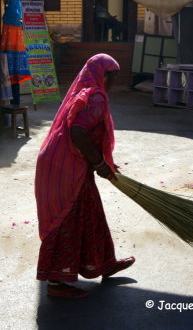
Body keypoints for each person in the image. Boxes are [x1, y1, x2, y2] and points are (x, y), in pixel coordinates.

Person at [35, 54, 135, 298]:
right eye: (113, 76)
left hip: (60, 161)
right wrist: (99, 163)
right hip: (65, 166)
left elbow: (84, 133)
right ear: (104, 75)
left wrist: (101, 162)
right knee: (66, 217)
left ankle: (104, 263)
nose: (114, 82)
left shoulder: (83, 92)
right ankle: (57, 282)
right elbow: (79, 132)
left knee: (90, 210)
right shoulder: (95, 96)